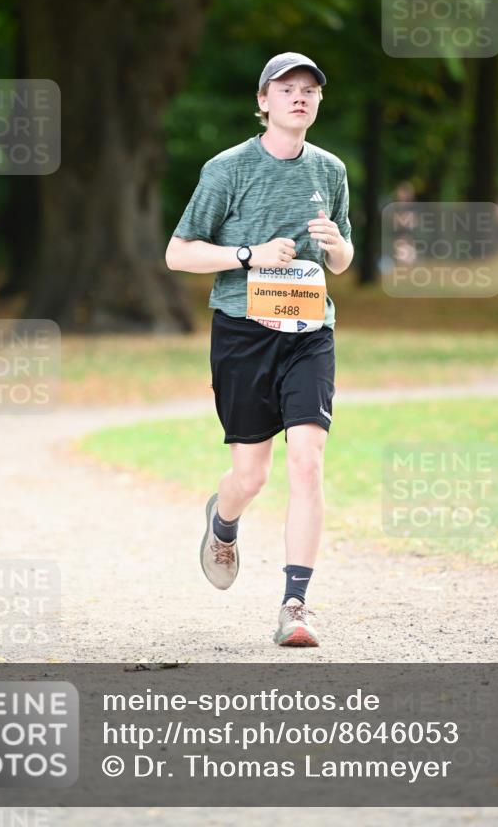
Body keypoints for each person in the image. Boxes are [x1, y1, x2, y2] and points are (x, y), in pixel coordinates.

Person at [165, 52, 354, 647]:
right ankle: (223, 522)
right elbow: (178, 253)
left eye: (309, 90)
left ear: (318, 103)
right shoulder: (228, 169)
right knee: (250, 475)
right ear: (264, 102)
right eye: (286, 89)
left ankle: (295, 605)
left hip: (309, 332)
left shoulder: (331, 169)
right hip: (244, 334)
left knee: (307, 460)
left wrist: (336, 244)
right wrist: (247, 255)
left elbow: (343, 260)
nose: (299, 97)